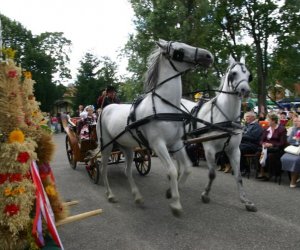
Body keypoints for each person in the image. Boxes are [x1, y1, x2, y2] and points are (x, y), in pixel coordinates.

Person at [257, 113, 287, 181]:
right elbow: (261, 140)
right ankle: (262, 172)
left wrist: (272, 145)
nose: (266, 121)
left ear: (273, 121)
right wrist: (264, 143)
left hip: (277, 149)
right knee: (258, 154)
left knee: (270, 156)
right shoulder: (266, 129)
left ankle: (269, 173)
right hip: (266, 148)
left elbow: (282, 143)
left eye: (268, 120)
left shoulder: (281, 129)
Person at [240, 111, 263, 176]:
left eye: (247, 116)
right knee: (232, 147)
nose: (245, 118)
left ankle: (244, 168)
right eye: (245, 117)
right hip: (245, 144)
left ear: (253, 117)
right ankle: (240, 167)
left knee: (238, 149)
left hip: (253, 145)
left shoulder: (257, 126)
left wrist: (242, 136)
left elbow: (254, 138)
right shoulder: (246, 125)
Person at [281, 117, 300, 188]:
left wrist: (296, 139)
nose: (296, 122)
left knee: (295, 160)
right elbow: (289, 140)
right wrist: (297, 140)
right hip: (294, 148)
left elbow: (293, 139)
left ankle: (293, 179)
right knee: (284, 158)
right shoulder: (294, 129)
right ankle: (297, 175)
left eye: (298, 121)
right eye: (295, 121)